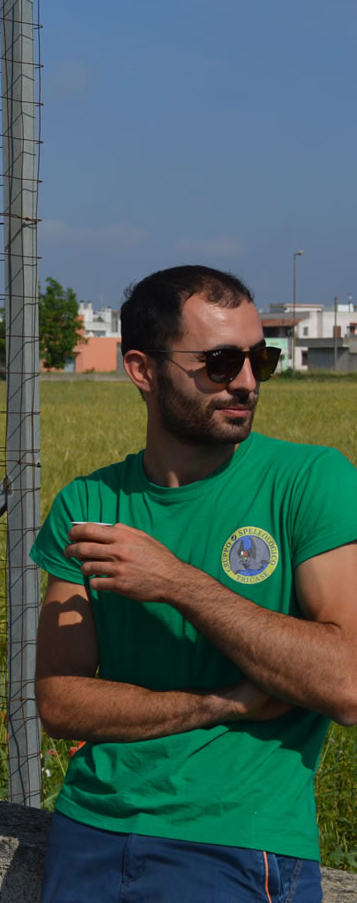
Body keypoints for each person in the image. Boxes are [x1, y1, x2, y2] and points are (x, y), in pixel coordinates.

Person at [31, 265, 357, 901]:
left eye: (261, 359)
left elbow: (346, 683)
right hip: (88, 831)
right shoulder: (89, 504)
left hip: (235, 842)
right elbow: (61, 702)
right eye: (220, 362)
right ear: (142, 370)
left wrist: (177, 582)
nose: (246, 382)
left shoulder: (310, 482)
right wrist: (223, 703)